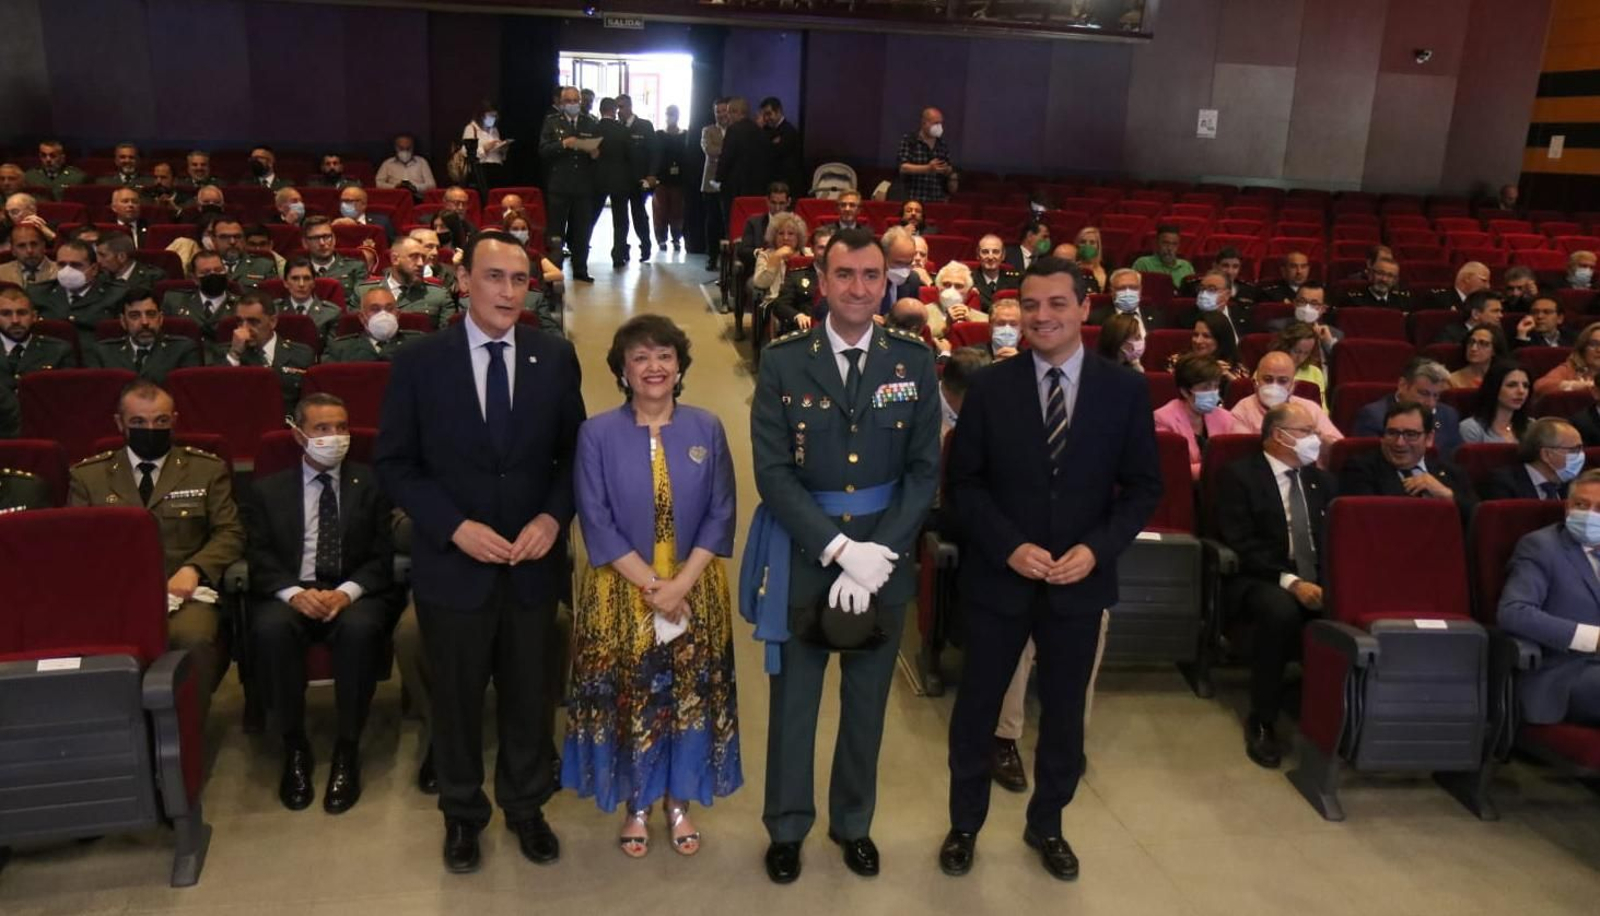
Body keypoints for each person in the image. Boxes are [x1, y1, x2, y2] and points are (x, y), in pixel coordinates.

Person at [939, 255, 1160, 881]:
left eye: (1057, 303)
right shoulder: (989, 386)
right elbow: (965, 485)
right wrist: (1009, 546)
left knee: (1065, 717)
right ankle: (964, 825)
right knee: (977, 712)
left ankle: (1049, 823)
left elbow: (1144, 487)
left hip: (1079, 584)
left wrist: (1097, 548)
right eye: (1030, 305)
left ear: (1085, 308)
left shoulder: (1125, 390)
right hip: (999, 580)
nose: (1041, 316)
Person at [375, 230, 586, 874]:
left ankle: (526, 807)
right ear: (464, 281)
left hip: (530, 563)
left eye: (519, 280)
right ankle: (463, 814)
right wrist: (452, 526)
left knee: (528, 695)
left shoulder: (554, 357)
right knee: (458, 701)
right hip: (454, 565)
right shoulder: (419, 361)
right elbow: (396, 464)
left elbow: (573, 455)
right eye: (494, 277)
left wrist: (554, 517)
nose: (508, 291)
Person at [743, 227, 940, 884]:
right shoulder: (783, 359)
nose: (859, 288)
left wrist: (878, 554)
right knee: (794, 705)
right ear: (821, 281)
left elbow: (922, 471)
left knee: (866, 707)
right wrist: (837, 549)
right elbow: (772, 472)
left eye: (872, 276)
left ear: (888, 283)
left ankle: (853, 822)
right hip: (806, 555)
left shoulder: (912, 361)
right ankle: (787, 826)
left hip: (883, 562)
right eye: (845, 275)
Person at [564, 314, 741, 857]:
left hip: (696, 589)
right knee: (632, 697)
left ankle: (680, 801)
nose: (653, 367)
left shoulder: (707, 427)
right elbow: (594, 518)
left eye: (664, 355)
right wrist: (653, 587)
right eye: (639, 357)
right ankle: (636, 805)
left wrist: (681, 583)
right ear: (621, 370)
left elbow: (722, 509)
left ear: (680, 365)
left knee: (688, 696)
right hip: (621, 593)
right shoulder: (596, 433)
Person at [243, 393, 397, 814]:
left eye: (342, 428)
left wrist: (346, 592)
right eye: (322, 429)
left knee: (361, 630)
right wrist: (295, 593)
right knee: (271, 631)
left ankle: (348, 748)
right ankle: (294, 746)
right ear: (299, 435)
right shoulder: (267, 491)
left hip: (351, 591)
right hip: (292, 591)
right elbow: (258, 556)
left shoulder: (372, 484)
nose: (335, 437)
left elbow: (383, 557)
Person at [69, 380, 244, 721]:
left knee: (192, 639)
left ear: (174, 420)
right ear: (120, 423)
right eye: (139, 422)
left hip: (187, 591)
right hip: (114, 595)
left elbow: (230, 532)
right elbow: (78, 547)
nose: (151, 429)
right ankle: (118, 734)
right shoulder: (88, 477)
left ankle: (185, 734)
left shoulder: (206, 469)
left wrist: (195, 568)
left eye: (160, 421)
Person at [1215, 401, 1335, 768]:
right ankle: (1263, 718)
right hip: (1260, 575)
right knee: (1281, 611)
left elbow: (1337, 539)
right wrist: (1293, 581)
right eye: (1305, 432)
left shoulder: (1322, 481)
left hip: (1318, 575)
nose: (1314, 440)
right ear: (1276, 436)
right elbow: (1239, 541)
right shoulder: (1239, 475)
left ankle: (1333, 717)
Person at [1497, 469, 1600, 726]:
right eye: (1581, 505)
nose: (1590, 515)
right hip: (1568, 669)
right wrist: (1594, 639)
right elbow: (1514, 611)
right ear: (1566, 507)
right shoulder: (1542, 547)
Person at [1338, 401, 1478, 525]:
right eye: (1392, 433)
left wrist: (1447, 496)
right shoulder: (1360, 469)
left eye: (1411, 435)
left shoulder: (1452, 472)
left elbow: (1479, 518)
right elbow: (1369, 519)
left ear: (1429, 438)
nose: (1399, 443)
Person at [212, 293, 315, 410]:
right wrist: (235, 353)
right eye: (240, 321)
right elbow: (217, 395)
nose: (244, 328)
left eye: (253, 322)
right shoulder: (226, 353)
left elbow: (310, 402)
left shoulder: (302, 354)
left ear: (272, 321)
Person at [1155, 354, 1247, 479]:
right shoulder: (1162, 418)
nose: (1213, 393)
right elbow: (1173, 467)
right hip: (1183, 489)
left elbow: (1239, 455)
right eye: (1205, 388)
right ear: (1185, 391)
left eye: (1216, 386)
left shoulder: (1225, 417)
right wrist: (1216, 469)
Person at [1230, 351, 1343, 452]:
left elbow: (1338, 447)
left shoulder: (1310, 409)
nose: (1274, 386)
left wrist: (1318, 437)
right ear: (1255, 383)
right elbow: (1242, 452)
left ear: (1293, 386)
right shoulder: (1242, 410)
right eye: (1268, 379)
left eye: (1282, 381)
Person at [1353, 357, 1462, 460]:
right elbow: (1371, 463)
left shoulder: (1448, 415)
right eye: (1424, 393)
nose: (1431, 403)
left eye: (1436, 395)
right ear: (1403, 385)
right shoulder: (1375, 416)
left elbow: (1456, 459)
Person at [84, 287, 201, 383]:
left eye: (151, 314)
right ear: (123, 321)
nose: (144, 322)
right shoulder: (102, 353)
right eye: (135, 316)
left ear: (160, 319)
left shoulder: (182, 349)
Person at [27, 238, 127, 344]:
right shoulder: (38, 294)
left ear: (94, 269)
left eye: (76, 265)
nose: (67, 271)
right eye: (62, 264)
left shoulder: (117, 295)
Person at [355, 238, 453, 329]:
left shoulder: (439, 295)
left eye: (423, 258)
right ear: (395, 259)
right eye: (414, 257)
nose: (420, 263)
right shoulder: (363, 293)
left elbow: (447, 337)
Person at [1487, 418, 1585, 501]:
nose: (1581, 455)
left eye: (1581, 449)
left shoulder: (1575, 485)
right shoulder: (1505, 484)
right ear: (1546, 454)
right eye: (1574, 450)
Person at [0, 287, 77, 392]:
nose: (15, 320)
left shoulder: (59, 351)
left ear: (34, 316)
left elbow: (67, 394)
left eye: (22, 313)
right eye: (6, 314)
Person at [615, 93, 658, 262]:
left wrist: (652, 174)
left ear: (630, 106)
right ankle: (621, 251)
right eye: (617, 107)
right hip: (619, 180)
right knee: (620, 218)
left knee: (639, 215)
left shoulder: (644, 126)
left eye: (622, 107)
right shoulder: (616, 127)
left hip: (639, 180)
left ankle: (645, 246)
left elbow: (655, 152)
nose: (619, 111)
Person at [718, 97, 771, 226]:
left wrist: (718, 178)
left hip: (734, 187)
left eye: (729, 112)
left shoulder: (733, 130)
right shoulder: (760, 131)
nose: (727, 116)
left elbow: (726, 158)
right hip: (757, 188)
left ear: (737, 112)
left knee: (733, 224)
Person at [163, 250, 237, 334]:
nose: (213, 275)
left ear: (226, 272)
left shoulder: (239, 304)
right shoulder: (175, 301)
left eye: (218, 270)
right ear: (194, 278)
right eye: (206, 272)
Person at [1459, 360, 1531, 445]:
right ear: (1494, 388)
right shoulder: (1471, 428)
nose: (1521, 391)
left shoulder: (1532, 426)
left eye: (1525, 386)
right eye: (1512, 385)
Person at [1177, 269, 1248, 350]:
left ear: (1227, 295)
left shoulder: (1243, 316)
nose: (1204, 294)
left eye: (1212, 289)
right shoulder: (1185, 319)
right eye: (1202, 289)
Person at [895, 107, 956, 203]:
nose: (939, 127)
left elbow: (948, 168)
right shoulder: (910, 140)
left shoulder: (942, 144)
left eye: (940, 123)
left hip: (936, 199)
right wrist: (928, 168)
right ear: (924, 123)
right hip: (913, 199)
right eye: (935, 123)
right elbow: (903, 167)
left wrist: (946, 170)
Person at [752, 213, 810, 311]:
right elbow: (760, 283)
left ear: (799, 237)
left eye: (791, 234)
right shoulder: (765, 256)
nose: (785, 238)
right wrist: (776, 258)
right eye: (781, 233)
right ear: (774, 236)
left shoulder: (809, 254)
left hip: (805, 301)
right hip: (777, 303)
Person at [278, 257, 342, 342]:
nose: (301, 284)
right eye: (295, 278)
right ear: (285, 283)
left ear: (314, 282)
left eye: (307, 278)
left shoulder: (331, 313)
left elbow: (332, 351)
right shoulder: (274, 311)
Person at [1169, 312, 1246, 381]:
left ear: (1221, 340)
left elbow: (1244, 392)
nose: (1198, 341)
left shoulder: (1236, 368)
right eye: (1195, 335)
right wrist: (1209, 371)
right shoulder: (1178, 361)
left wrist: (1228, 375)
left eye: (1206, 336)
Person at [652, 105, 688, 251]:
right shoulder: (659, 134)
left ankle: (676, 238)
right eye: (669, 114)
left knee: (677, 211)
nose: (671, 116)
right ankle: (661, 239)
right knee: (660, 211)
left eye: (674, 114)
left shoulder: (685, 134)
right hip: (661, 179)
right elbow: (654, 156)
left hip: (679, 180)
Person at [701, 98, 730, 271]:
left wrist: (722, 152)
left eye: (723, 111)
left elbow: (717, 151)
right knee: (712, 223)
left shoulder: (735, 130)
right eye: (717, 112)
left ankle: (727, 258)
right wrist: (730, 152)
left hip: (730, 183)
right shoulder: (708, 130)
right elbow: (709, 151)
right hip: (710, 184)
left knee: (728, 223)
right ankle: (711, 257)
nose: (721, 114)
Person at [1535, 322, 1600, 397]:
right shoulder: (1571, 369)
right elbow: (1540, 386)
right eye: (1593, 344)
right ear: (1583, 348)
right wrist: (1578, 386)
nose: (1599, 350)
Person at [1272, 321, 1327, 408]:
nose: (1300, 358)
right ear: (1286, 347)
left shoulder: (1315, 372)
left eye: (1306, 353)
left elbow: (1322, 409)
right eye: (1297, 351)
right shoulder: (1267, 369)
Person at [759, 97, 805, 200]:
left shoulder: (789, 131)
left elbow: (776, 153)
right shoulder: (766, 131)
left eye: (768, 113)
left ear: (778, 111)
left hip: (787, 184)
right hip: (773, 183)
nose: (766, 118)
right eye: (764, 115)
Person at [463, 99, 510, 191]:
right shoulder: (471, 129)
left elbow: (498, 154)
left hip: (496, 168)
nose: (494, 119)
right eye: (491, 116)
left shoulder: (494, 130)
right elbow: (466, 152)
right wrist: (484, 148)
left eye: (495, 116)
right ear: (481, 115)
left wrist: (502, 150)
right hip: (481, 170)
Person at [1130, 224, 1195, 286]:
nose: (1169, 248)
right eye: (1165, 243)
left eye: (1174, 244)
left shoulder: (1186, 266)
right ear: (1157, 243)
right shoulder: (1143, 264)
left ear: (1178, 246)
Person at [1448, 324, 1508, 390]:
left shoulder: (1504, 378)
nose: (1473, 348)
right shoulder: (1452, 381)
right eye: (1471, 342)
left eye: (1482, 343)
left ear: (1494, 350)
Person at [1434, 291, 1504, 346]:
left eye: (1501, 311)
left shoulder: (1500, 335)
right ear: (1475, 314)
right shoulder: (1451, 335)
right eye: (1495, 311)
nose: (1501, 315)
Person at [97, 232, 165, 288]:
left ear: (122, 257)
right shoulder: (100, 278)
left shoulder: (152, 278)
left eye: (103, 255)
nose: (98, 261)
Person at [1340, 255, 1410, 309]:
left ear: (1395, 280)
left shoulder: (1403, 302)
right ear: (1370, 274)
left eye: (1390, 276)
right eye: (1380, 273)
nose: (1384, 279)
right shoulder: (1354, 301)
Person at [973, 234, 1022, 309]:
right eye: (985, 252)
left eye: (995, 252)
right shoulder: (969, 281)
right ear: (978, 255)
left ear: (1003, 256)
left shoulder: (1016, 281)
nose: (990, 257)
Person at [1422, 261, 1492, 313]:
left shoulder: (1483, 304)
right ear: (1467, 278)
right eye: (1484, 281)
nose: (1487, 286)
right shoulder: (1439, 300)